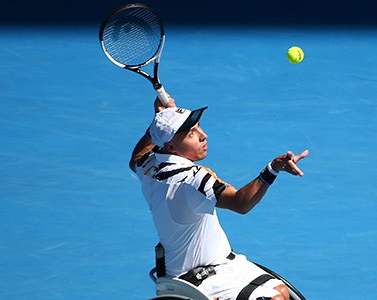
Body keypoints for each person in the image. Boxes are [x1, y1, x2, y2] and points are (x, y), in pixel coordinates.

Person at [129, 93, 309, 300]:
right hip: (199, 279)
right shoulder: (193, 179)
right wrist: (273, 169)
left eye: (198, 128)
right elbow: (241, 203)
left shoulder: (149, 168)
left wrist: (158, 124)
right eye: (190, 134)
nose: (203, 135)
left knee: (281, 291)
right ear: (170, 147)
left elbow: (137, 157)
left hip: (201, 268)